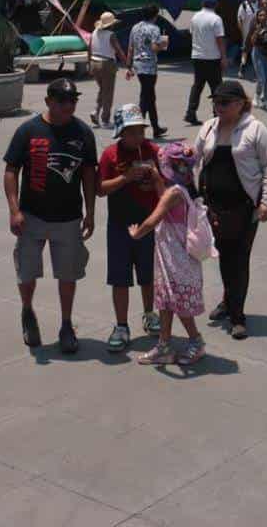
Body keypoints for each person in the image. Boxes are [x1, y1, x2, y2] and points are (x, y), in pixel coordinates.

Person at [3, 78, 98, 354]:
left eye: (73, 101)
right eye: (62, 101)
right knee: (27, 271)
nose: (69, 106)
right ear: (48, 102)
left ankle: (66, 324)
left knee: (67, 274)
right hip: (32, 216)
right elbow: (11, 170)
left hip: (68, 218)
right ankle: (27, 312)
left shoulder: (83, 133)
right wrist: (14, 210)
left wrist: (90, 212)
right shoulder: (28, 130)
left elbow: (89, 174)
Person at [196, 80, 267, 340]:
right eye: (216, 102)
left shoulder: (255, 129)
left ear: (241, 103)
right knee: (224, 256)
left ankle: (237, 316)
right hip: (214, 207)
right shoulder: (209, 127)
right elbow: (194, 156)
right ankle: (228, 299)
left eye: (224, 103)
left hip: (244, 206)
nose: (218, 107)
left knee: (239, 259)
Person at [128, 147, 206, 366]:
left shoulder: (174, 193)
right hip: (175, 256)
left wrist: (137, 233)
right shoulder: (182, 188)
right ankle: (164, 345)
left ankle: (196, 342)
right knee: (165, 300)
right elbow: (165, 201)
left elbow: (154, 218)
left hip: (175, 257)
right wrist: (156, 181)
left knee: (177, 302)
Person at [98, 104, 162, 354]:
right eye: (131, 131)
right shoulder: (110, 155)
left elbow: (166, 182)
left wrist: (153, 177)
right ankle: (122, 325)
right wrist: (127, 178)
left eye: (140, 131)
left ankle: (149, 313)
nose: (138, 136)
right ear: (120, 132)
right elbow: (100, 189)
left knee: (147, 274)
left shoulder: (153, 151)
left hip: (147, 223)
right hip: (119, 225)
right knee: (120, 278)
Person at [127, 4, 168, 138]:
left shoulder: (135, 27)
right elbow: (155, 48)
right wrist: (163, 44)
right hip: (149, 65)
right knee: (146, 97)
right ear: (154, 15)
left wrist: (129, 65)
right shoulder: (154, 28)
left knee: (149, 96)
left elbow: (130, 47)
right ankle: (138, 128)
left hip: (138, 64)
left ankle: (156, 127)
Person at [184, 0, 226, 125]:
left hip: (197, 56)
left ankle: (190, 112)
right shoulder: (216, 19)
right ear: (216, 4)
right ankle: (217, 114)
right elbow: (219, 39)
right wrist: (223, 57)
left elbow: (191, 33)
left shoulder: (195, 17)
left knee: (197, 85)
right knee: (217, 87)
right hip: (212, 57)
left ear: (202, 3)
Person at [88, 10, 128, 128]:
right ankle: (105, 120)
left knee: (102, 89)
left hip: (94, 62)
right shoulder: (111, 35)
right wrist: (127, 64)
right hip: (106, 64)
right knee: (108, 93)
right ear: (111, 24)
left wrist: (89, 63)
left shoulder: (94, 32)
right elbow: (118, 50)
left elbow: (89, 48)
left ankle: (96, 111)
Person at [236, 0, 259, 77]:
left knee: (257, 51)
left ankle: (257, 72)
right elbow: (239, 20)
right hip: (247, 33)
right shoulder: (243, 5)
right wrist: (242, 33)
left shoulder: (259, 4)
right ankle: (241, 70)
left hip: (257, 33)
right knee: (245, 52)